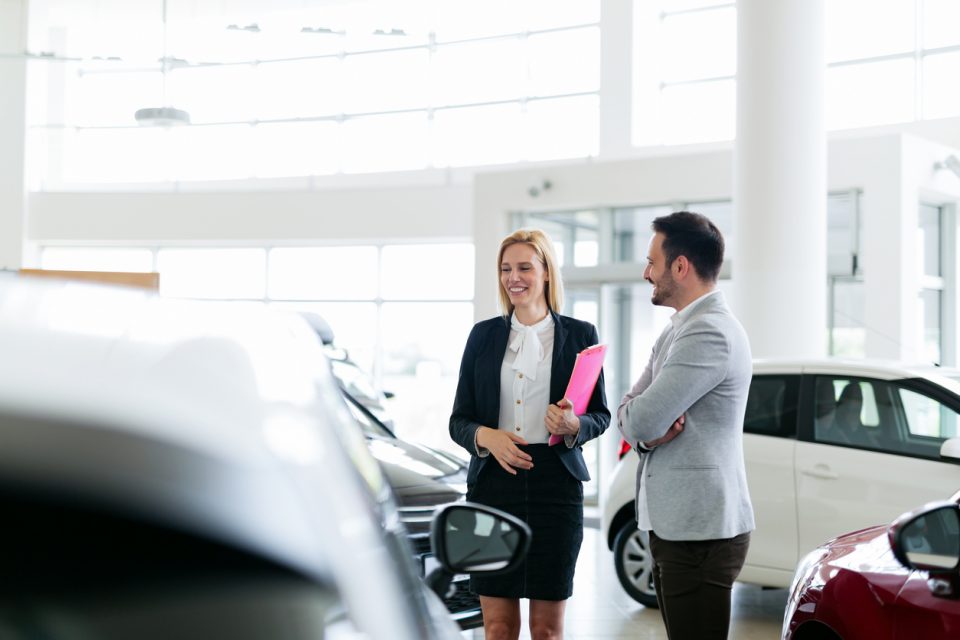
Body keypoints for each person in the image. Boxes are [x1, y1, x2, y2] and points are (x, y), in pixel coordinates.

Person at [450, 229, 610, 640]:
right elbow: (459, 421)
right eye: (506, 269)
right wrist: (488, 436)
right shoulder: (482, 336)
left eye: (524, 267)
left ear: (546, 274)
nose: (513, 277)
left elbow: (600, 415)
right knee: (498, 627)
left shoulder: (580, 335)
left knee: (547, 631)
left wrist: (575, 426)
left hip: (555, 489)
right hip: (492, 489)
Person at [617, 211, 755, 640]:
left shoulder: (708, 332)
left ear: (680, 266)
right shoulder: (677, 331)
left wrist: (641, 427)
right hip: (682, 526)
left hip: (700, 532)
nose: (646, 273)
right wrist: (642, 432)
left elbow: (639, 417)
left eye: (651, 262)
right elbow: (630, 414)